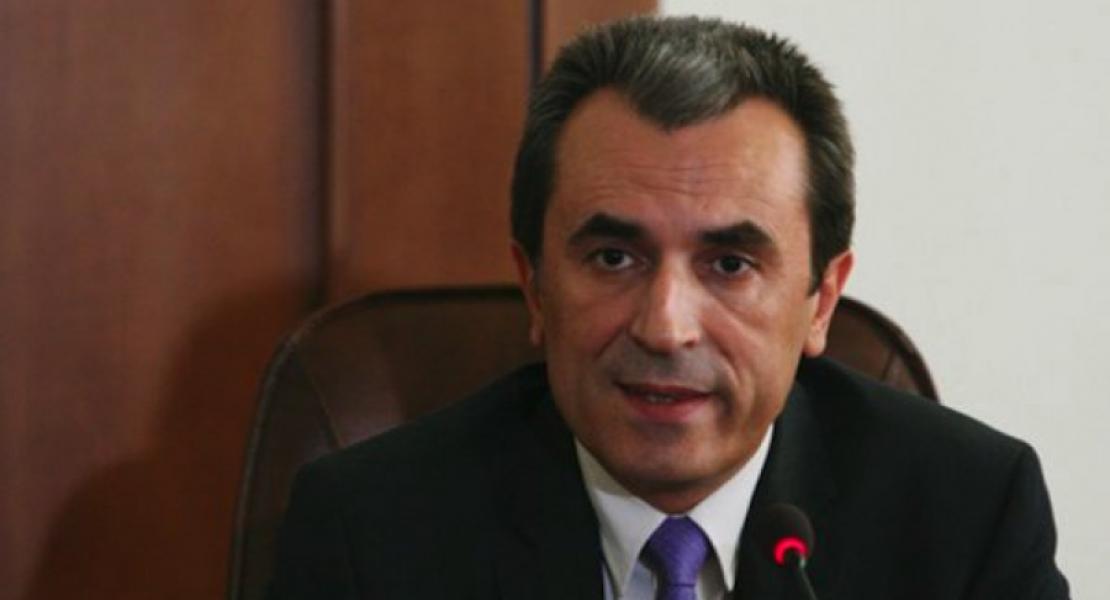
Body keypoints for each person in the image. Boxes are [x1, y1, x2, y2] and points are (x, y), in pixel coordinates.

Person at [267, 15, 1069, 599]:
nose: (665, 327)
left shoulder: (966, 516)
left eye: (729, 264)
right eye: (614, 258)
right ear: (535, 287)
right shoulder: (369, 533)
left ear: (821, 301)